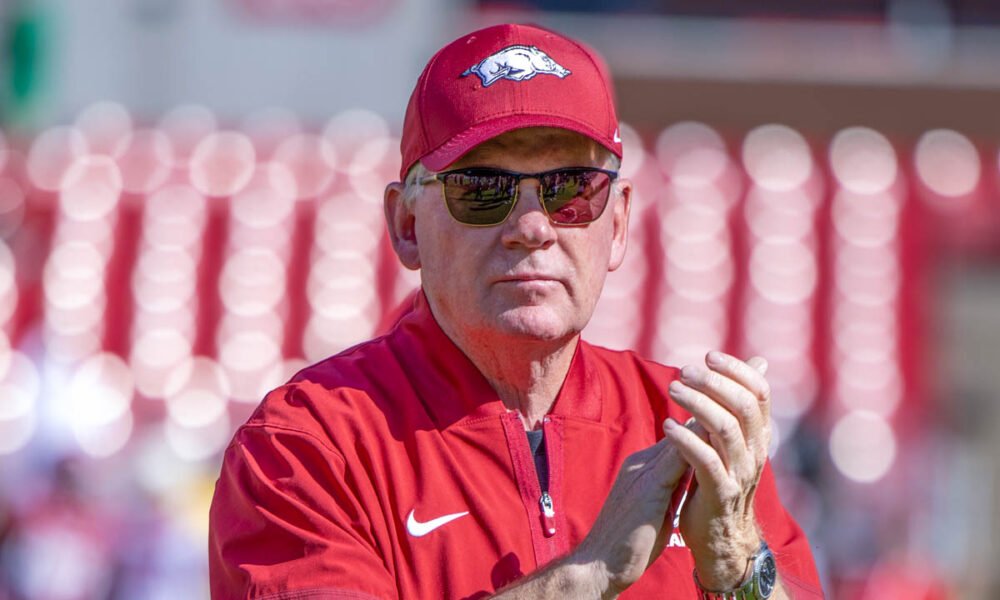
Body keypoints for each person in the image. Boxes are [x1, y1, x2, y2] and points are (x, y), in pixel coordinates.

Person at [209, 23, 823, 599]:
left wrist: (741, 567)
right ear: (405, 225)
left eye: (572, 189)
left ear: (618, 224)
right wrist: (585, 576)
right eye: (481, 190)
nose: (532, 227)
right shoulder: (310, 446)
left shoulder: (692, 430)